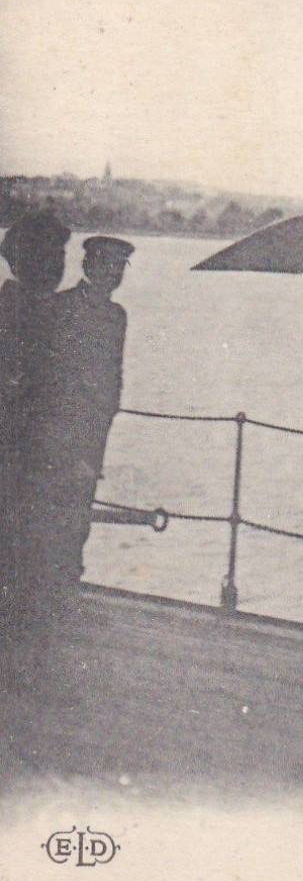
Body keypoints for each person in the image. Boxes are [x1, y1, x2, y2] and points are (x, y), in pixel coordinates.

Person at [8, 235, 132, 690]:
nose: (114, 274)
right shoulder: (59, 309)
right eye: (107, 264)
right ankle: (40, 620)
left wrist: (94, 444)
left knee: (76, 525)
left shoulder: (117, 317)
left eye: (120, 267)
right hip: (54, 442)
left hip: (88, 442)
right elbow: (52, 382)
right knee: (46, 527)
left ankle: (60, 603)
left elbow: (111, 385)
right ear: (89, 264)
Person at [0, 212, 71, 686]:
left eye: (60, 255)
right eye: (51, 254)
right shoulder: (19, 313)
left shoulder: (48, 312)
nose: (59, 263)